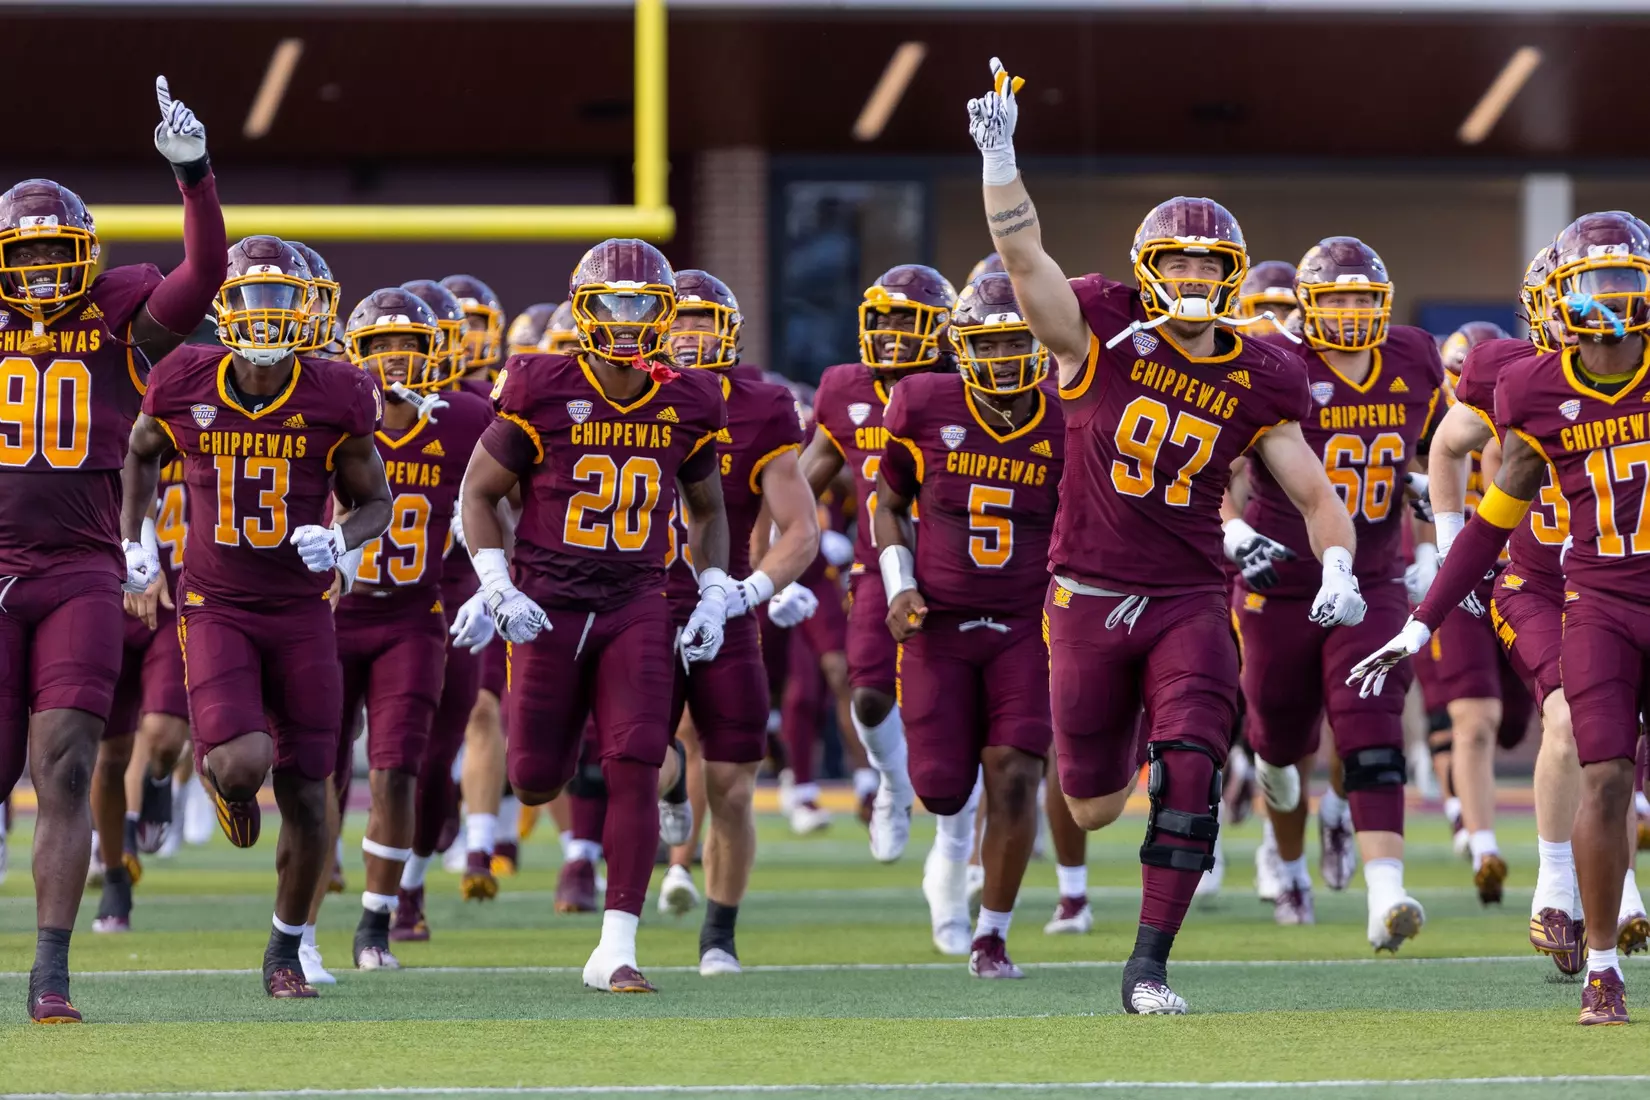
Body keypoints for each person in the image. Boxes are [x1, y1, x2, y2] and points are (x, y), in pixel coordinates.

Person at [968, 57, 1365, 1013]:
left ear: (1231, 276)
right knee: (1094, 802)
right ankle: (1149, 739)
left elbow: (1315, 491)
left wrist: (1339, 565)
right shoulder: (1100, 330)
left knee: (1191, 764)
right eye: (1178, 262)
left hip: (1189, 598)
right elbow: (1023, 263)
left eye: (1209, 264)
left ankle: (1147, 967)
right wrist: (1000, 164)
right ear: (1149, 270)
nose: (1192, 276)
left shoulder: (1263, 372)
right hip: (1087, 595)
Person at [1352, 210, 1650, 1025]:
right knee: (1591, 752)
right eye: (1590, 285)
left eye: (1624, 282)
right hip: (1579, 593)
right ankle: (1594, 946)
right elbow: (1484, 504)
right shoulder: (1523, 383)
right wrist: (1428, 606)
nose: (1607, 301)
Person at [0, 76, 225, 1023]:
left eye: (56, 252)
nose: (41, 269)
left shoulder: (116, 311)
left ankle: (51, 973)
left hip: (81, 570)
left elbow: (203, 276)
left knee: (64, 765)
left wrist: (195, 176)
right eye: (25, 253)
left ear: (84, 255)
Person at [122, 235, 391, 1000]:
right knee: (243, 764)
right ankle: (226, 788)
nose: (267, 315)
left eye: (282, 300)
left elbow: (376, 500)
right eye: (252, 298)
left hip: (303, 609)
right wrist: (137, 539)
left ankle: (286, 949)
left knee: (310, 788)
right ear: (226, 307)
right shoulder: (182, 378)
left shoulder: (337, 392)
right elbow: (141, 451)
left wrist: (340, 538)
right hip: (218, 604)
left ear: (310, 310)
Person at [459, 238, 732, 993]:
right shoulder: (540, 382)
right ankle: (670, 779)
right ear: (583, 309)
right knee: (534, 778)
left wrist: (713, 588)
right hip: (547, 602)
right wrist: (496, 584)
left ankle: (616, 947)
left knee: (633, 761)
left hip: (637, 599)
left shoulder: (691, 397)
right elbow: (479, 492)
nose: (626, 318)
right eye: (613, 302)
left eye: (643, 304)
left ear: (664, 312)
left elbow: (708, 508)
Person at [1227, 238, 1442, 945]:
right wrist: (1233, 530)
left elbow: (1438, 449)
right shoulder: (1271, 361)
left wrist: (1429, 527)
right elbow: (1210, 465)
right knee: (1280, 744)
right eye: (1336, 298)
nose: (1350, 311)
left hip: (1372, 574)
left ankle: (1386, 896)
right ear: (1307, 305)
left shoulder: (1414, 356)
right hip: (1281, 579)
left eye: (1362, 298)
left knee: (1371, 722)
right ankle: (1289, 866)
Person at [873, 270, 1063, 975]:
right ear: (962, 347)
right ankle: (946, 854)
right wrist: (899, 584)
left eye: (1018, 341)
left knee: (1014, 773)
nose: (1006, 356)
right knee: (942, 787)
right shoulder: (923, 403)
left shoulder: (1068, 417)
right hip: (941, 624)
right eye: (990, 343)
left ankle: (992, 934)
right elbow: (888, 502)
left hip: (1028, 625)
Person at [652, 269, 819, 975]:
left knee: (733, 781)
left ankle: (719, 932)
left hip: (721, 607)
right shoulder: (616, 395)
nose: (690, 335)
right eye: (679, 320)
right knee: (639, 757)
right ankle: (667, 793)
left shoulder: (761, 405)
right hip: (637, 605)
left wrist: (747, 593)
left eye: (703, 321)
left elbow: (800, 527)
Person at [325, 288, 494, 972]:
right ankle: (300, 924)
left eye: (410, 345)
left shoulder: (467, 419)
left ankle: (379, 919)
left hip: (416, 612)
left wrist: (494, 583)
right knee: (314, 767)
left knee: (402, 768)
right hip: (334, 612)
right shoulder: (328, 406)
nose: (396, 358)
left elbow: (507, 502)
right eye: (381, 346)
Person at [799, 263, 959, 863]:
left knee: (952, 709)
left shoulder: (966, 386)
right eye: (883, 320)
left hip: (963, 570)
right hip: (877, 567)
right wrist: (774, 560)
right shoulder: (845, 388)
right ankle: (892, 784)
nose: (891, 333)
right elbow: (800, 486)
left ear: (941, 330)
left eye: (906, 320)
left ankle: (958, 841)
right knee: (867, 694)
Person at [439, 273, 514, 897]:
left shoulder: (502, 397)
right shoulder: (380, 395)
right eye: (453, 325)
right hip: (398, 572)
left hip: (475, 568)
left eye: (475, 324)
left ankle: (480, 846)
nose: (465, 338)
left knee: (483, 706)